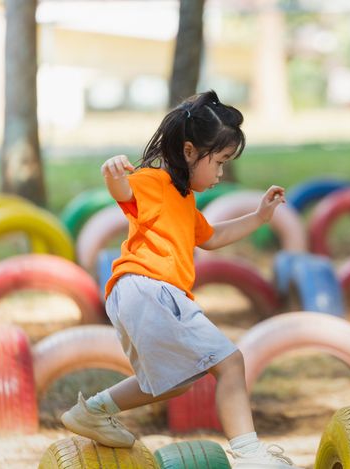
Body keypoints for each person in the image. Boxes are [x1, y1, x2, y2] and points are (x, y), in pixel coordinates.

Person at [60, 90, 297, 468]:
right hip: (148, 288)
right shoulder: (154, 182)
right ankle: (252, 456)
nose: (221, 173)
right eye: (219, 162)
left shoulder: (185, 200)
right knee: (231, 364)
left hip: (140, 294)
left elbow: (212, 237)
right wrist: (113, 173)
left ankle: (93, 411)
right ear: (189, 152)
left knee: (178, 380)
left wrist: (258, 217)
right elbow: (124, 192)